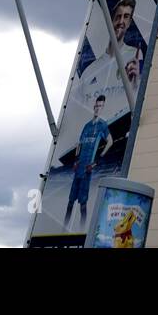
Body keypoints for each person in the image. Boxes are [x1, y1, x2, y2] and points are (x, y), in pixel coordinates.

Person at [64, 95, 113, 229]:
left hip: (87, 169)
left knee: (83, 204)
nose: (98, 108)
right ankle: (64, 227)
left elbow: (110, 141)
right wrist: (75, 159)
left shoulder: (102, 125)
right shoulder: (86, 126)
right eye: (97, 106)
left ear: (103, 108)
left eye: (100, 106)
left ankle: (82, 229)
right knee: (70, 201)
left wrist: (98, 160)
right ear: (94, 107)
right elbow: (79, 143)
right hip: (79, 167)